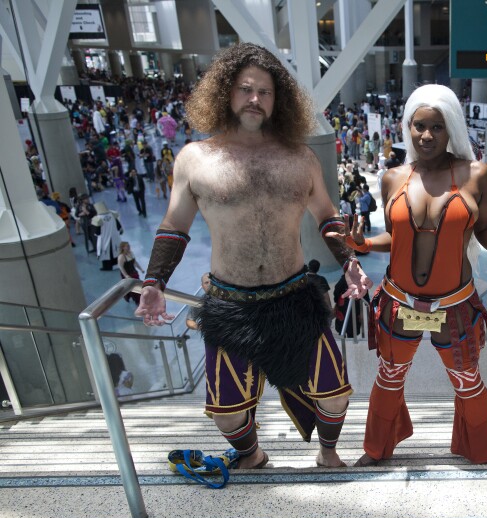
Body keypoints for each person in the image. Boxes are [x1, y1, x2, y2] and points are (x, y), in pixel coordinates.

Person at [134, 43, 371, 469]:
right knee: (227, 411)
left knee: (334, 395)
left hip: (296, 298)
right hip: (230, 304)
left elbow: (327, 216)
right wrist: (153, 283)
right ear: (225, 92)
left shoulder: (300, 157)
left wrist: (350, 261)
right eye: (245, 89)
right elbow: (174, 226)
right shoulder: (195, 159)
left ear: (279, 99)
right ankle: (252, 455)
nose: (255, 99)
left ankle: (328, 453)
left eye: (265, 91)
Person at [331, 84, 487, 467]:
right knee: (389, 378)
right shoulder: (393, 178)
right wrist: (366, 245)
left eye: (436, 127)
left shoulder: (476, 174)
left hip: (455, 304)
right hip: (397, 300)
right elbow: (397, 237)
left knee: (468, 381)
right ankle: (376, 450)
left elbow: (485, 229)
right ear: (407, 127)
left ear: (451, 127)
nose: (425, 135)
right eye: (418, 126)